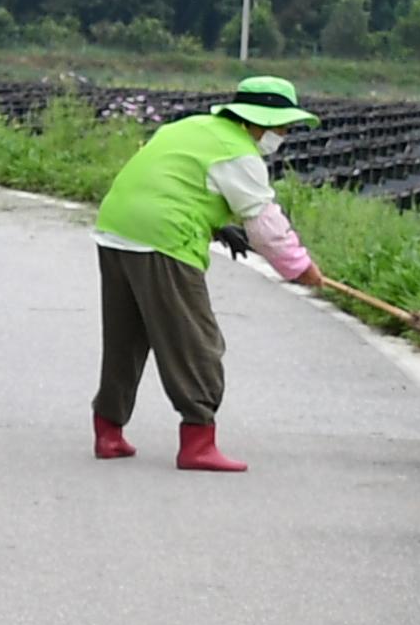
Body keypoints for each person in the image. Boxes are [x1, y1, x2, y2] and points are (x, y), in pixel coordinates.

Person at [91, 75, 326, 472]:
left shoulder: (191, 127)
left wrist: (219, 227)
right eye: (282, 126)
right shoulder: (238, 153)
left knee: (126, 337)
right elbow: (266, 224)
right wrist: (300, 268)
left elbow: (173, 183)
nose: (284, 134)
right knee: (195, 341)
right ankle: (198, 441)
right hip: (164, 240)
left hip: (116, 231)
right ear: (258, 122)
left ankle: (108, 432)